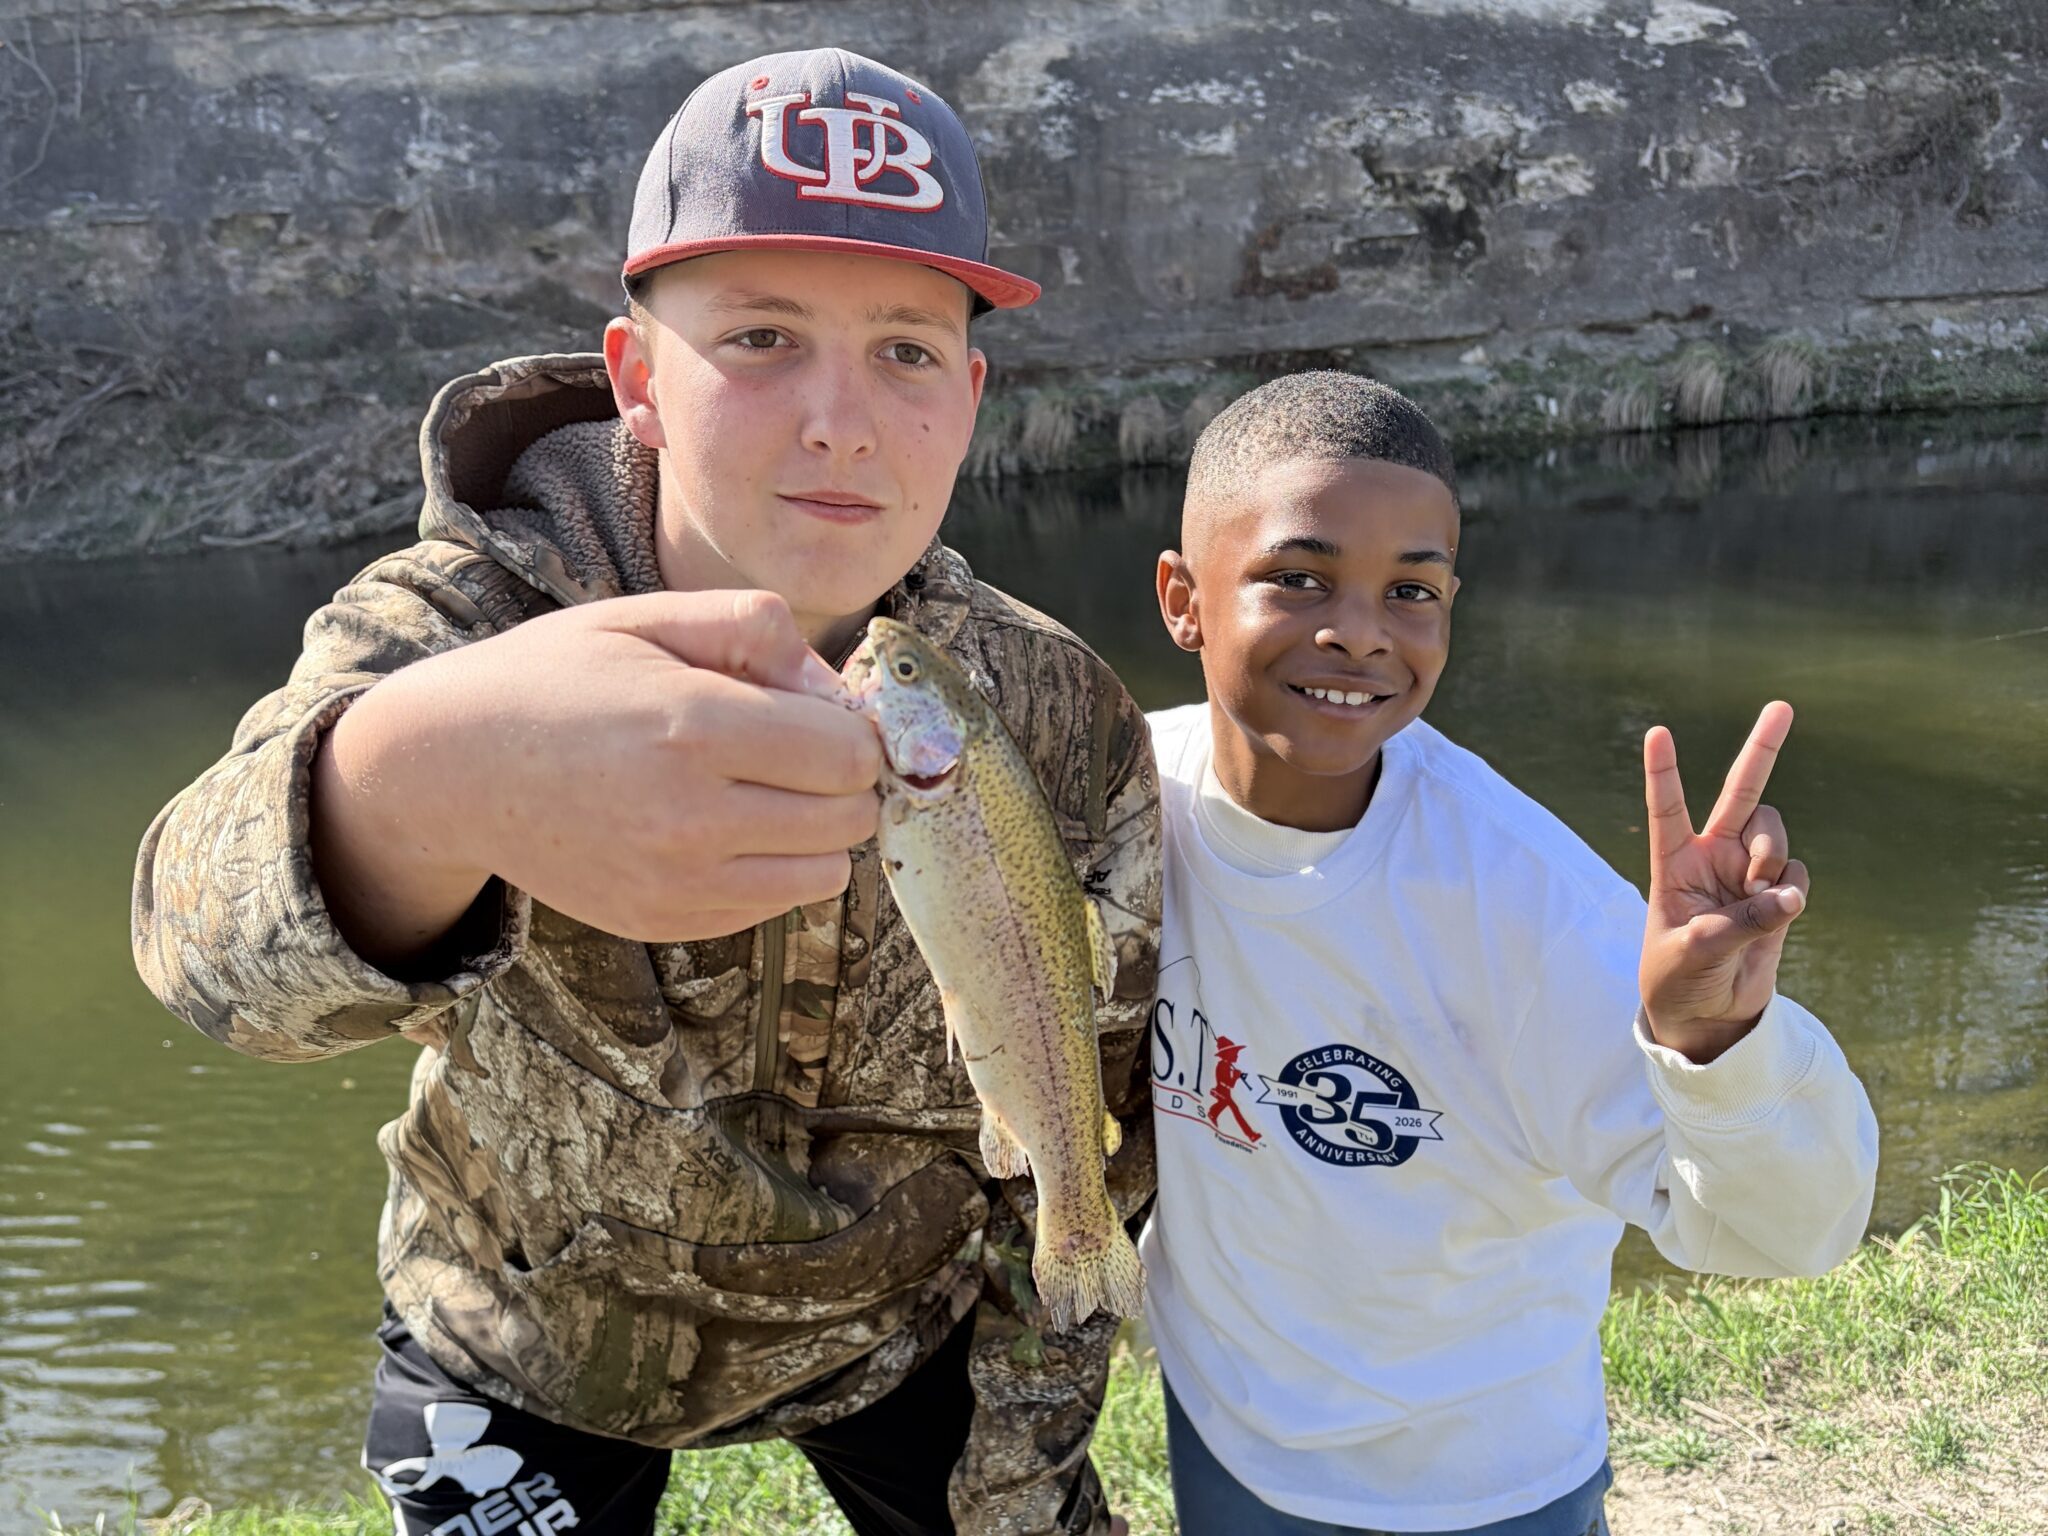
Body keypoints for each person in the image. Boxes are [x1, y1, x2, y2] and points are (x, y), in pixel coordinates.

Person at [130, 48, 1160, 1536]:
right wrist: (421, 781)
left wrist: (1016, 1483)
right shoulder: (457, 630)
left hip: (900, 1324)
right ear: (637, 383)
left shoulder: (1052, 711)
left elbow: (1090, 1116)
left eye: (909, 353)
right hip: (527, 1328)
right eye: (758, 336)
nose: (841, 421)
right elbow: (198, 961)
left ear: (975, 396)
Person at [1140, 371, 1879, 1536]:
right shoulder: (1118, 803)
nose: (1359, 631)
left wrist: (1714, 1043)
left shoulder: (1524, 905)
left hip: (1478, 1490)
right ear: (1183, 599)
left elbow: (1789, 1232)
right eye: (1298, 578)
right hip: (1226, 1442)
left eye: (1412, 591)